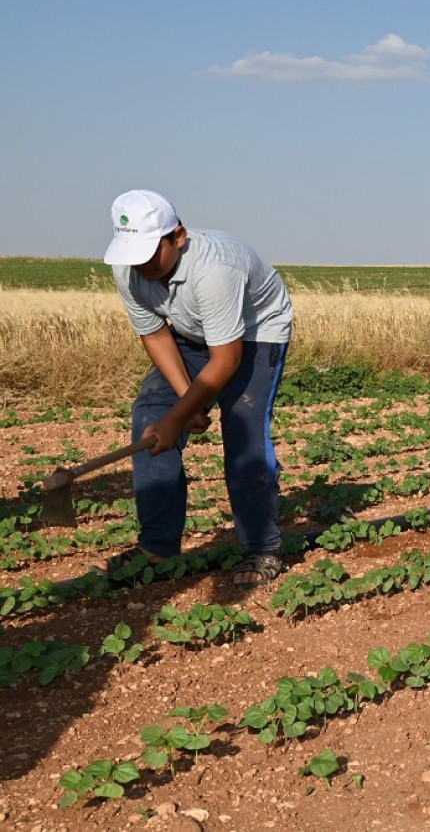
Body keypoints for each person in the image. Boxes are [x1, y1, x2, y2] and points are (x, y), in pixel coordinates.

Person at [99, 189, 293, 587]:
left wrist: (180, 417)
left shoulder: (215, 268)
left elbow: (227, 360)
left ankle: (261, 547)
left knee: (243, 433)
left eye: (152, 251)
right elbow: (154, 333)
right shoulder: (128, 267)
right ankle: (157, 547)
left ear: (179, 236)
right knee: (150, 417)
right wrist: (183, 403)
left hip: (256, 335)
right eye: (133, 254)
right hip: (190, 334)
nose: (142, 264)